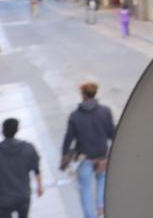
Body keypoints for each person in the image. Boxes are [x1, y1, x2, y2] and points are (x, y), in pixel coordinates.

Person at [62, 82, 116, 218]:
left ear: (83, 95)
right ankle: (101, 208)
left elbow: (69, 138)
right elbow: (112, 133)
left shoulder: (74, 116)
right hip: (102, 157)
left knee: (85, 190)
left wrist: (64, 155)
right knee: (102, 183)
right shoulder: (105, 111)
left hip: (84, 158)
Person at [0, 118, 43, 218]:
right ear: (17, 130)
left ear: (2, 132)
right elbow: (36, 169)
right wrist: (40, 186)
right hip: (23, 196)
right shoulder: (28, 148)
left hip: (2, 200)